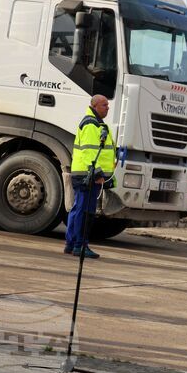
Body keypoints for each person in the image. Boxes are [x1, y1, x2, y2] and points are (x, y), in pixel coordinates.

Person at [65, 95, 116, 259]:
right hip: (88, 175)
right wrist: (97, 173)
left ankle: (72, 244)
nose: (107, 107)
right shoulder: (90, 124)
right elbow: (89, 151)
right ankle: (80, 245)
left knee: (78, 208)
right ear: (94, 106)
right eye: (104, 105)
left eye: (108, 105)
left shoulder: (95, 123)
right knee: (86, 210)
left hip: (84, 173)